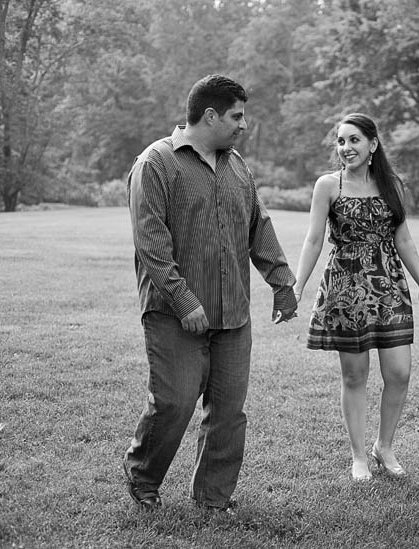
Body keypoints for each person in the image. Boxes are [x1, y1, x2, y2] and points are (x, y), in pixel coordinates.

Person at [123, 74, 297, 511]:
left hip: (233, 314)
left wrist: (282, 283)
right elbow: (152, 244)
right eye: (237, 116)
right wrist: (185, 301)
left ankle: (213, 497)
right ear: (210, 115)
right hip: (173, 314)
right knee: (174, 403)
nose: (244, 125)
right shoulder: (156, 164)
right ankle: (143, 476)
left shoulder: (237, 165)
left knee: (228, 411)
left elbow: (258, 226)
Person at [293, 113, 419, 482]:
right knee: (354, 376)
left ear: (372, 144)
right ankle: (358, 456)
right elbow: (313, 240)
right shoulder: (328, 185)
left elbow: (403, 239)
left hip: (389, 287)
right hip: (346, 288)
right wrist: (297, 285)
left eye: (354, 140)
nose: (346, 148)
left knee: (399, 373)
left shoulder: (392, 186)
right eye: (341, 141)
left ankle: (383, 447)